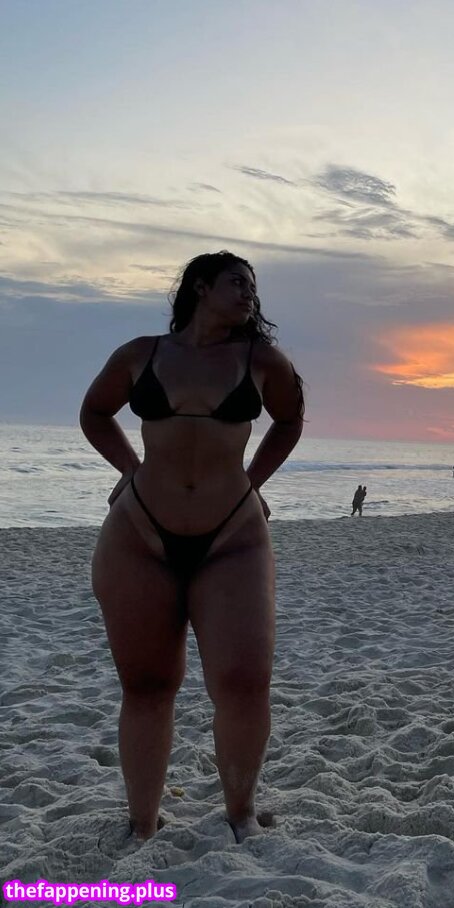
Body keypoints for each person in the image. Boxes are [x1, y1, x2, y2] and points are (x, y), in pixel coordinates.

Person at [79, 250, 305, 844]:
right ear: (201, 287)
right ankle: (142, 823)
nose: (249, 294)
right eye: (238, 282)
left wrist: (253, 482)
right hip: (139, 534)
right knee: (148, 684)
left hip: (233, 537)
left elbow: (289, 421)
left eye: (252, 286)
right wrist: (129, 468)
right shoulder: (141, 354)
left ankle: (241, 813)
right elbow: (95, 412)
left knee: (244, 681)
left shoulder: (262, 361)